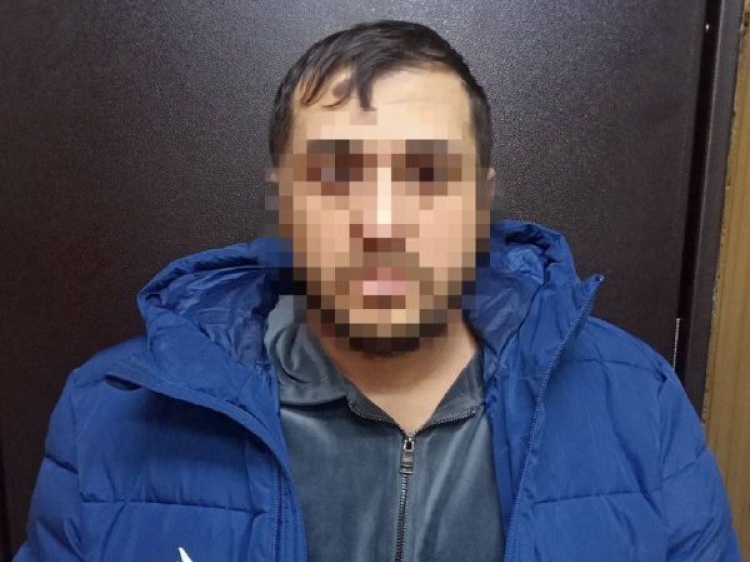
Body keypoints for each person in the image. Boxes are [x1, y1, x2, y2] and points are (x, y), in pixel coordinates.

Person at [14, 19, 744, 562]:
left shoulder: (639, 405)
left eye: (427, 175)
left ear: (481, 205)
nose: (384, 223)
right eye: (337, 176)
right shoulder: (110, 417)